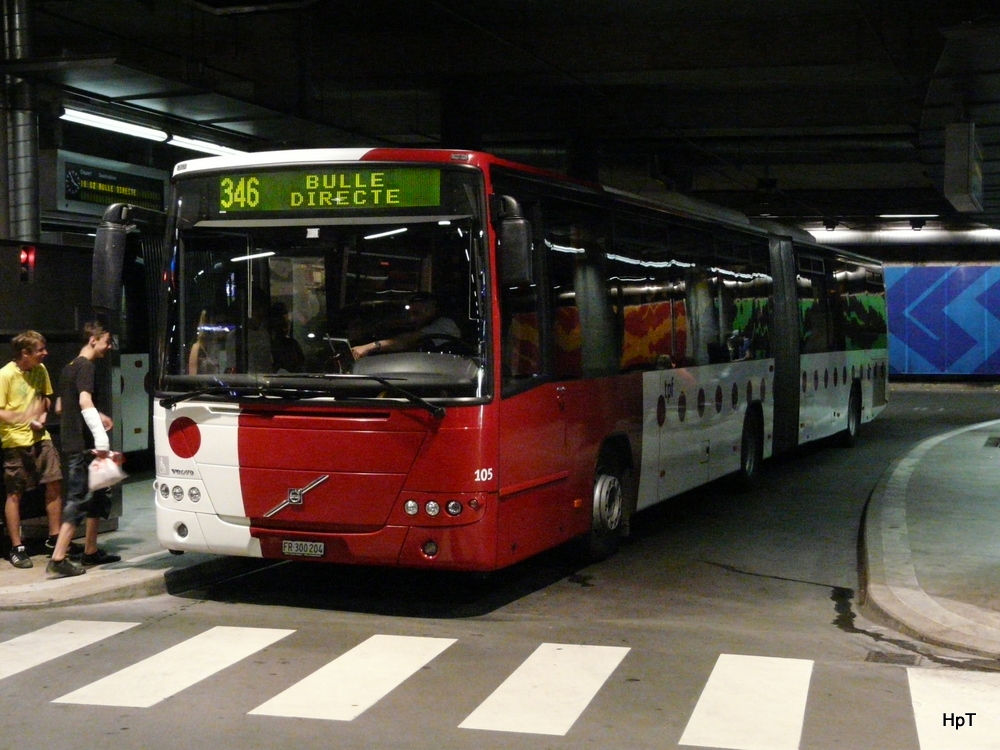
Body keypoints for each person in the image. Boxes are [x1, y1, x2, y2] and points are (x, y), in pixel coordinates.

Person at [47, 322, 122, 577]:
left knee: (98, 494)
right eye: (106, 341)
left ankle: (90, 551)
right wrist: (101, 441)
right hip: (85, 446)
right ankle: (58, 558)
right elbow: (83, 400)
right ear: (93, 340)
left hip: (73, 440)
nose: (108, 347)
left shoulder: (68, 368)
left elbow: (61, 407)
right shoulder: (87, 367)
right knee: (78, 499)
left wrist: (98, 415)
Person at [0, 331, 64, 569]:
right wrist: (23, 416)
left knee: (55, 481)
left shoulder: (40, 370)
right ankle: (17, 547)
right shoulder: (5, 375)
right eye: (40, 349)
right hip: (15, 440)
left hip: (40, 437)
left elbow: (46, 398)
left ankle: (55, 539)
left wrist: (42, 416)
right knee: (15, 492)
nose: (45, 353)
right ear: (25, 353)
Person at [352, 292, 461, 359]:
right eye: (410, 313)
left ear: (433, 310)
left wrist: (368, 347)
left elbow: (407, 341)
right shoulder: (420, 324)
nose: (411, 318)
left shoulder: (446, 324)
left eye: (417, 313)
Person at [188, 309, 222, 375]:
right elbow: (192, 376)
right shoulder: (197, 348)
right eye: (209, 323)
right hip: (203, 384)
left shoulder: (217, 346)